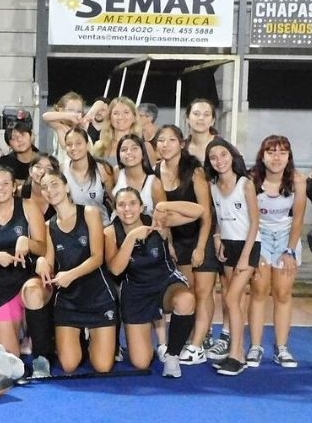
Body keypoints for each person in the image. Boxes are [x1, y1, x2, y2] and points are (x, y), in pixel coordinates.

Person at [104, 189, 200, 378]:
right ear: (115, 209)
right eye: (121, 205)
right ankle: (147, 344)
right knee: (141, 362)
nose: (127, 209)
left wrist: (165, 205)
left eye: (132, 203)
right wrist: (131, 238)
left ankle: (172, 356)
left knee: (186, 300)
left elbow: (199, 211)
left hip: (166, 282)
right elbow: (115, 269)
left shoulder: (157, 221)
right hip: (136, 291)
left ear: (141, 207)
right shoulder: (110, 232)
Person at [31, 170, 118, 375]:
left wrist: (70, 274)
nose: (50, 190)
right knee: (69, 365)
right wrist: (41, 262)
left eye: (54, 184)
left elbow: (97, 257)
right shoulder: (48, 226)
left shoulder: (89, 213)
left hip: (98, 296)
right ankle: (79, 338)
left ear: (66, 187)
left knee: (103, 366)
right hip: (69, 300)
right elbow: (49, 264)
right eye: (44, 187)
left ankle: (94, 337)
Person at [153, 124, 217, 366]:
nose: (166, 145)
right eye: (161, 140)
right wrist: (169, 243)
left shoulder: (195, 171)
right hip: (177, 239)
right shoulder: (155, 173)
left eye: (171, 140)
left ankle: (198, 344)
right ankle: (190, 337)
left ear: (181, 144)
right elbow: (162, 216)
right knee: (188, 290)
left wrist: (200, 247)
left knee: (203, 291)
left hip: (200, 234)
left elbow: (206, 213)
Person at [0, 167, 45, 355]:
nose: (0, 188)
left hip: (28, 277)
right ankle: (21, 330)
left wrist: (27, 242)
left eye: (5, 183)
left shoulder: (28, 206)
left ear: (14, 187)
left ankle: (40, 349)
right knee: (10, 356)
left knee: (33, 293)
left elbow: (43, 248)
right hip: (0, 283)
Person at [204, 137, 260, 376]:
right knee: (231, 300)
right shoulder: (213, 185)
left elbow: (255, 222)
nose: (219, 161)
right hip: (227, 246)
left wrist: (246, 256)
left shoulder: (245, 184)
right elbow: (219, 217)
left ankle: (236, 355)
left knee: (231, 299)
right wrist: (217, 238)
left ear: (232, 156)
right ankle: (237, 353)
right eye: (213, 157)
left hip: (247, 246)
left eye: (223, 155)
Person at [248, 135, 305, 369]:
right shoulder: (251, 180)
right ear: (262, 156)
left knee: (282, 293)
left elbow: (298, 219)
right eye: (271, 152)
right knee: (259, 291)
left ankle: (282, 348)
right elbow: (250, 219)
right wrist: (255, 250)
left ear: (289, 157)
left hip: (286, 237)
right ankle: (255, 346)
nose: (276, 157)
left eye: (282, 152)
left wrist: (290, 251)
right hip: (259, 235)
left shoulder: (297, 180)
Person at [62, 127, 114, 221]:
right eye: (69, 144)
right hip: (74, 226)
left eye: (78, 143)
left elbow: (115, 200)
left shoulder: (102, 169)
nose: (73, 148)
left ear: (88, 145)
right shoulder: (62, 170)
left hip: (102, 224)